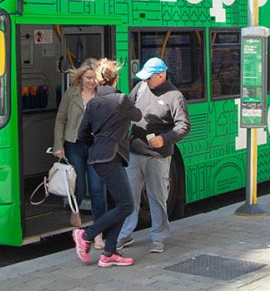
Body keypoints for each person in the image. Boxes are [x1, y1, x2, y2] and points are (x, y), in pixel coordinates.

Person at [115, 57, 190, 254]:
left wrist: (165, 138)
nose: (146, 81)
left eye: (149, 78)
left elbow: (184, 125)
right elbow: (127, 107)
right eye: (145, 78)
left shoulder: (175, 96)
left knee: (157, 197)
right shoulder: (140, 87)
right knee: (129, 195)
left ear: (161, 75)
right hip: (135, 151)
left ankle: (158, 237)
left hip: (158, 155)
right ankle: (125, 234)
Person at [72, 58, 140, 267]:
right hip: (111, 157)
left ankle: (109, 252)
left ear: (99, 81)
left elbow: (82, 133)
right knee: (127, 204)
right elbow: (137, 115)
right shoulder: (121, 100)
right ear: (115, 79)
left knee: (121, 204)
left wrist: (96, 144)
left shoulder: (93, 103)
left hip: (99, 157)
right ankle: (86, 235)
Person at [53, 58, 106, 228]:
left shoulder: (103, 94)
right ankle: (75, 213)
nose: (91, 82)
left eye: (94, 78)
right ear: (81, 77)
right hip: (74, 145)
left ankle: (99, 226)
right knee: (79, 186)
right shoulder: (71, 93)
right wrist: (58, 145)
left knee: (97, 187)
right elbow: (61, 119)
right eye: (88, 78)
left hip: (95, 146)